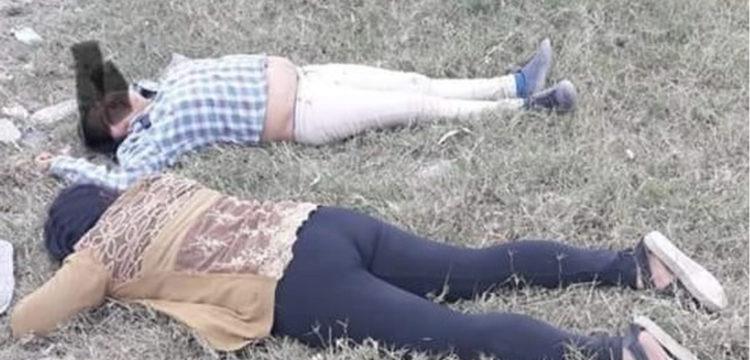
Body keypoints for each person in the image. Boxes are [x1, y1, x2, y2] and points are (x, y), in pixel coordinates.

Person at [11, 175, 726, 360]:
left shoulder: (97, 253)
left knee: (456, 335)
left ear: (75, 236)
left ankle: (622, 355)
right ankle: (635, 265)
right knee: (475, 268)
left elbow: (29, 321)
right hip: (322, 224)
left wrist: (77, 269)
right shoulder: (161, 185)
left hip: (296, 285)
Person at [35, 39, 577, 191]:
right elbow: (124, 180)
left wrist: (99, 84)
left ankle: (514, 82)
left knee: (414, 81)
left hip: (309, 75)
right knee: (415, 107)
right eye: (110, 110)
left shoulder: (156, 86)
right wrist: (62, 162)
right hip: (306, 111)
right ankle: (527, 107)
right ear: (120, 131)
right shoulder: (146, 138)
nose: (117, 95)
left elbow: (94, 61)